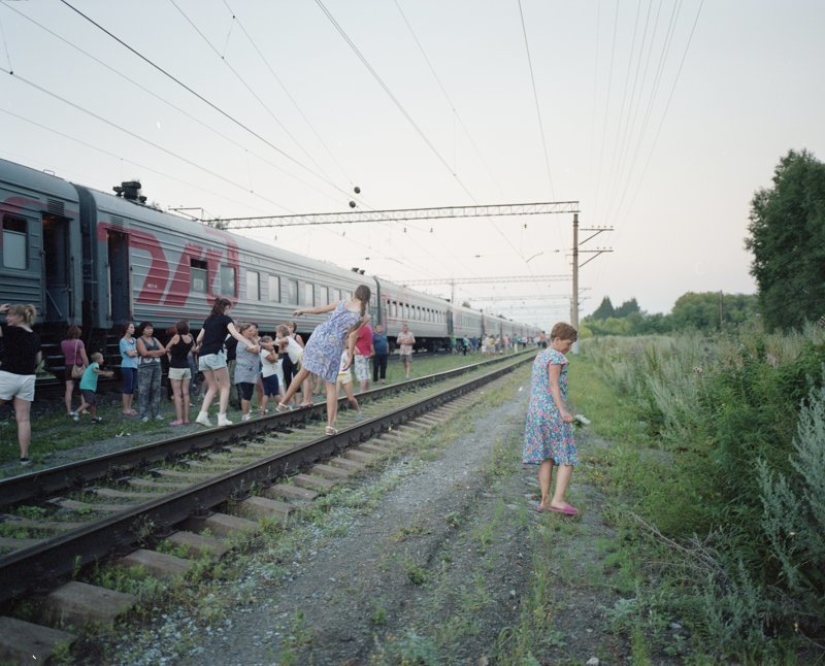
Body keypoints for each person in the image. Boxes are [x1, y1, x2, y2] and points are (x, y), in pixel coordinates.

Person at [278, 285, 371, 435]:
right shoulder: (364, 316)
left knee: (304, 371)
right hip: (334, 343)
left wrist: (302, 310)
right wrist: (351, 356)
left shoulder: (341, 302)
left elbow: (318, 310)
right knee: (331, 386)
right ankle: (329, 425)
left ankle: (283, 402)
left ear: (356, 293)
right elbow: (353, 336)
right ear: (368, 297)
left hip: (318, 335)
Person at [522, 322, 580, 515]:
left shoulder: (540, 356)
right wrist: (563, 410)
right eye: (568, 343)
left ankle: (545, 500)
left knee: (547, 457)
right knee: (566, 457)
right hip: (551, 411)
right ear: (557, 340)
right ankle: (558, 500)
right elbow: (553, 385)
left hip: (535, 411)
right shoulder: (557, 357)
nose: (569, 348)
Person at [195, 296, 258, 427]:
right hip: (216, 354)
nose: (230, 311)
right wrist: (249, 344)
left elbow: (199, 338)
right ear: (226, 307)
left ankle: (202, 415)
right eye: (230, 308)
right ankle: (222, 418)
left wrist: (201, 344)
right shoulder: (226, 319)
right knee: (225, 386)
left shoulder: (208, 320)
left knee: (212, 386)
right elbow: (235, 334)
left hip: (203, 356)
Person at [0, 303, 41, 464]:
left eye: (10, 315)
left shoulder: (10, 331)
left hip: (7, 376)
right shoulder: (35, 336)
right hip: (27, 378)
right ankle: (24, 457)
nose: (7, 318)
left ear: (19, 317)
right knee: (23, 419)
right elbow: (38, 360)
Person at [165, 319, 194, 426]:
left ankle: (179, 419)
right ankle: (186, 418)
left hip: (175, 367)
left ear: (178, 328)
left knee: (177, 394)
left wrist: (170, 356)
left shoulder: (176, 337)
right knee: (186, 393)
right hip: (186, 367)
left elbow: (166, 348)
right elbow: (191, 349)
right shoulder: (189, 338)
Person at [275, 324, 311, 407]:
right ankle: (307, 399)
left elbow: (275, 342)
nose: (276, 334)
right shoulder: (287, 339)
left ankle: (306, 400)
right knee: (305, 379)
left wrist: (265, 343)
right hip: (299, 358)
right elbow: (281, 350)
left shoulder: (287, 338)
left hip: (301, 357)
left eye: (277, 332)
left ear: (281, 332)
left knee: (305, 379)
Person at [136, 322, 166, 422]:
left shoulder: (155, 339)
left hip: (157, 367)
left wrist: (150, 353)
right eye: (148, 328)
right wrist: (156, 353)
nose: (150, 330)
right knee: (144, 391)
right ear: (143, 330)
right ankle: (143, 415)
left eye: (151, 328)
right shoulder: (139, 340)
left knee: (156, 390)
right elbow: (143, 353)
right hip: (144, 368)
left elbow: (163, 351)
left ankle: (156, 414)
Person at [75, 352, 114, 423]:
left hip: (86, 386)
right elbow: (95, 370)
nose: (103, 360)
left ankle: (93, 418)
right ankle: (76, 412)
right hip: (87, 387)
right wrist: (105, 373)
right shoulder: (95, 365)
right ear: (98, 359)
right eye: (102, 358)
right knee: (89, 401)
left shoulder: (91, 365)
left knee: (93, 402)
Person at [233, 322, 261, 422]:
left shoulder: (248, 340)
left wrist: (253, 340)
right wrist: (255, 340)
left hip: (250, 371)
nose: (252, 332)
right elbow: (256, 350)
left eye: (253, 330)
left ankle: (247, 413)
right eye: (250, 331)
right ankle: (245, 415)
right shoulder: (244, 342)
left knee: (249, 393)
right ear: (243, 332)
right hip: (244, 371)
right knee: (246, 393)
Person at [61, 325, 89, 417]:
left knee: (69, 389)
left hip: (68, 366)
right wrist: (88, 367)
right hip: (79, 367)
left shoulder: (63, 343)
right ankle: (83, 409)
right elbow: (84, 356)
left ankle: (68, 410)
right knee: (83, 388)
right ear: (78, 333)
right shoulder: (79, 342)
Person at [258, 335, 282, 416]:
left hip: (265, 373)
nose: (272, 344)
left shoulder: (263, 352)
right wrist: (273, 351)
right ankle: (281, 407)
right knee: (275, 392)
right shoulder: (265, 352)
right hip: (270, 373)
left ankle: (263, 410)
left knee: (267, 393)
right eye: (270, 342)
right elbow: (274, 359)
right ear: (265, 344)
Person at [336, 350, 364, 420]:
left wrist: (353, 347)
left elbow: (357, 352)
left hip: (346, 376)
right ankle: (333, 417)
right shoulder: (335, 349)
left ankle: (358, 411)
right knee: (334, 397)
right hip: (336, 376)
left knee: (350, 398)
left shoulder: (347, 351)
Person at [119, 322, 139, 416]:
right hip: (127, 366)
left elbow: (138, 351)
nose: (133, 329)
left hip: (135, 365)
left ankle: (129, 408)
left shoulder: (134, 340)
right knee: (127, 387)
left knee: (132, 388)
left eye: (133, 327)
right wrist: (135, 352)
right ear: (126, 329)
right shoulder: (123, 341)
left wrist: (134, 352)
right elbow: (130, 354)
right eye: (131, 327)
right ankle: (125, 408)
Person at [353, 319, 373, 393]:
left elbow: (353, 338)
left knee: (362, 374)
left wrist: (354, 348)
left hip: (360, 353)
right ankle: (368, 391)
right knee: (366, 373)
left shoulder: (363, 328)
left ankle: (362, 392)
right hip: (366, 353)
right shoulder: (369, 328)